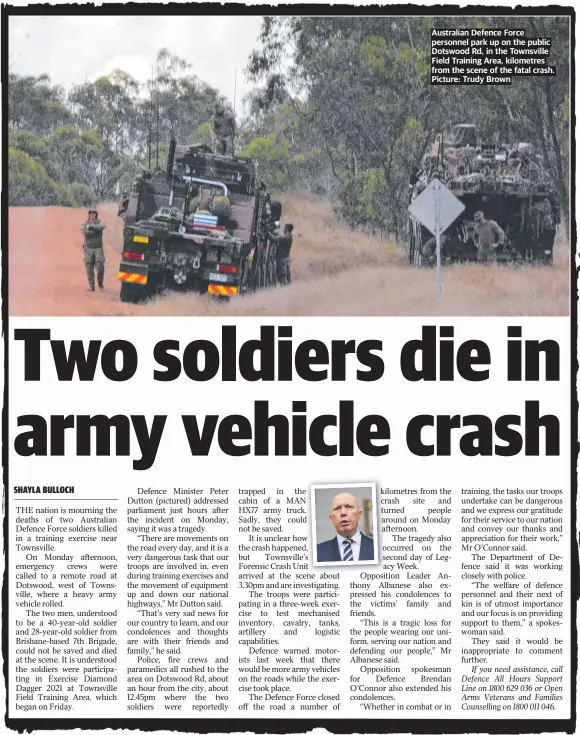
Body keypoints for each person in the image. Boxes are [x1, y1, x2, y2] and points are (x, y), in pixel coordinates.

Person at [316, 492, 375, 563]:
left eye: (349, 507)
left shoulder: (377, 547)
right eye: (337, 508)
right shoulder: (317, 552)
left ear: (359, 514)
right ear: (331, 518)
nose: (343, 513)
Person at [82, 208, 106, 292]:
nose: (92, 215)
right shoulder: (85, 223)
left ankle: (100, 284)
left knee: (100, 267)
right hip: (88, 248)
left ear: (96, 214)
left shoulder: (99, 222)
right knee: (89, 267)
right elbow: (86, 232)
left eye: (94, 213)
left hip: (98, 248)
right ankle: (91, 285)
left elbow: (102, 227)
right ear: (88, 214)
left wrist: (92, 227)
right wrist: (96, 230)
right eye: (91, 213)